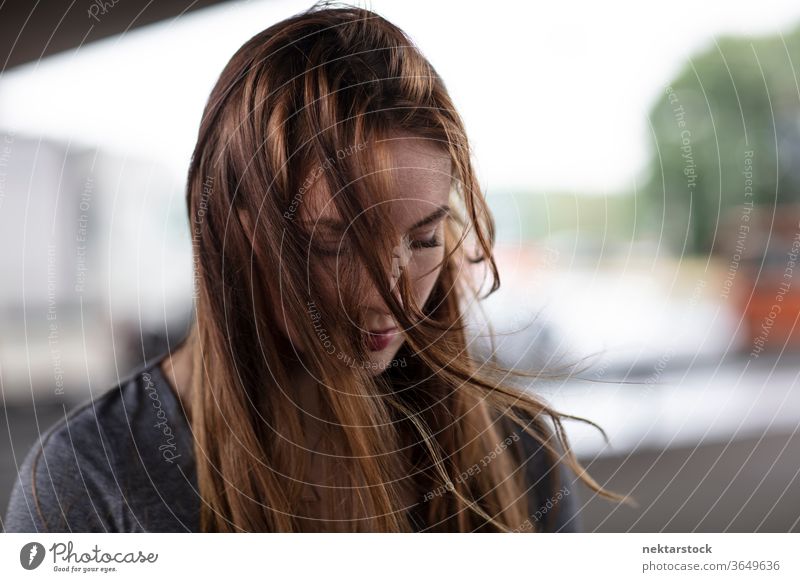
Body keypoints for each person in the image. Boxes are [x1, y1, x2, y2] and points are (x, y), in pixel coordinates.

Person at [4, 1, 616, 533]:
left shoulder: (516, 447)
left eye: (424, 238)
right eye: (336, 244)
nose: (392, 298)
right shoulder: (88, 483)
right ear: (229, 229)